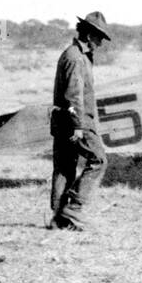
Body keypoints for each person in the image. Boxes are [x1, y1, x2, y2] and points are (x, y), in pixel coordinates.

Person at [48, 12, 111, 230]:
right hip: (75, 122)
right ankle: (74, 208)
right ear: (89, 34)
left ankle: (59, 219)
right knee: (98, 160)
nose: (101, 43)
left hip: (63, 121)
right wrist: (78, 126)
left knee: (65, 168)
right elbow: (73, 96)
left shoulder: (73, 53)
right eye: (99, 37)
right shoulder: (76, 57)